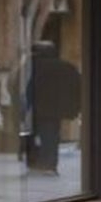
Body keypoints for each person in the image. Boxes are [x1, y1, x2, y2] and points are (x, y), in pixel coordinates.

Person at [26, 41, 81, 174]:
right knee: (53, 136)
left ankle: (46, 163)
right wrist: (75, 106)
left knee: (45, 136)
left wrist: (27, 105)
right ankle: (51, 163)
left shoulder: (36, 67)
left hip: (42, 108)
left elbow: (29, 88)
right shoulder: (67, 67)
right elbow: (78, 85)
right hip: (58, 109)